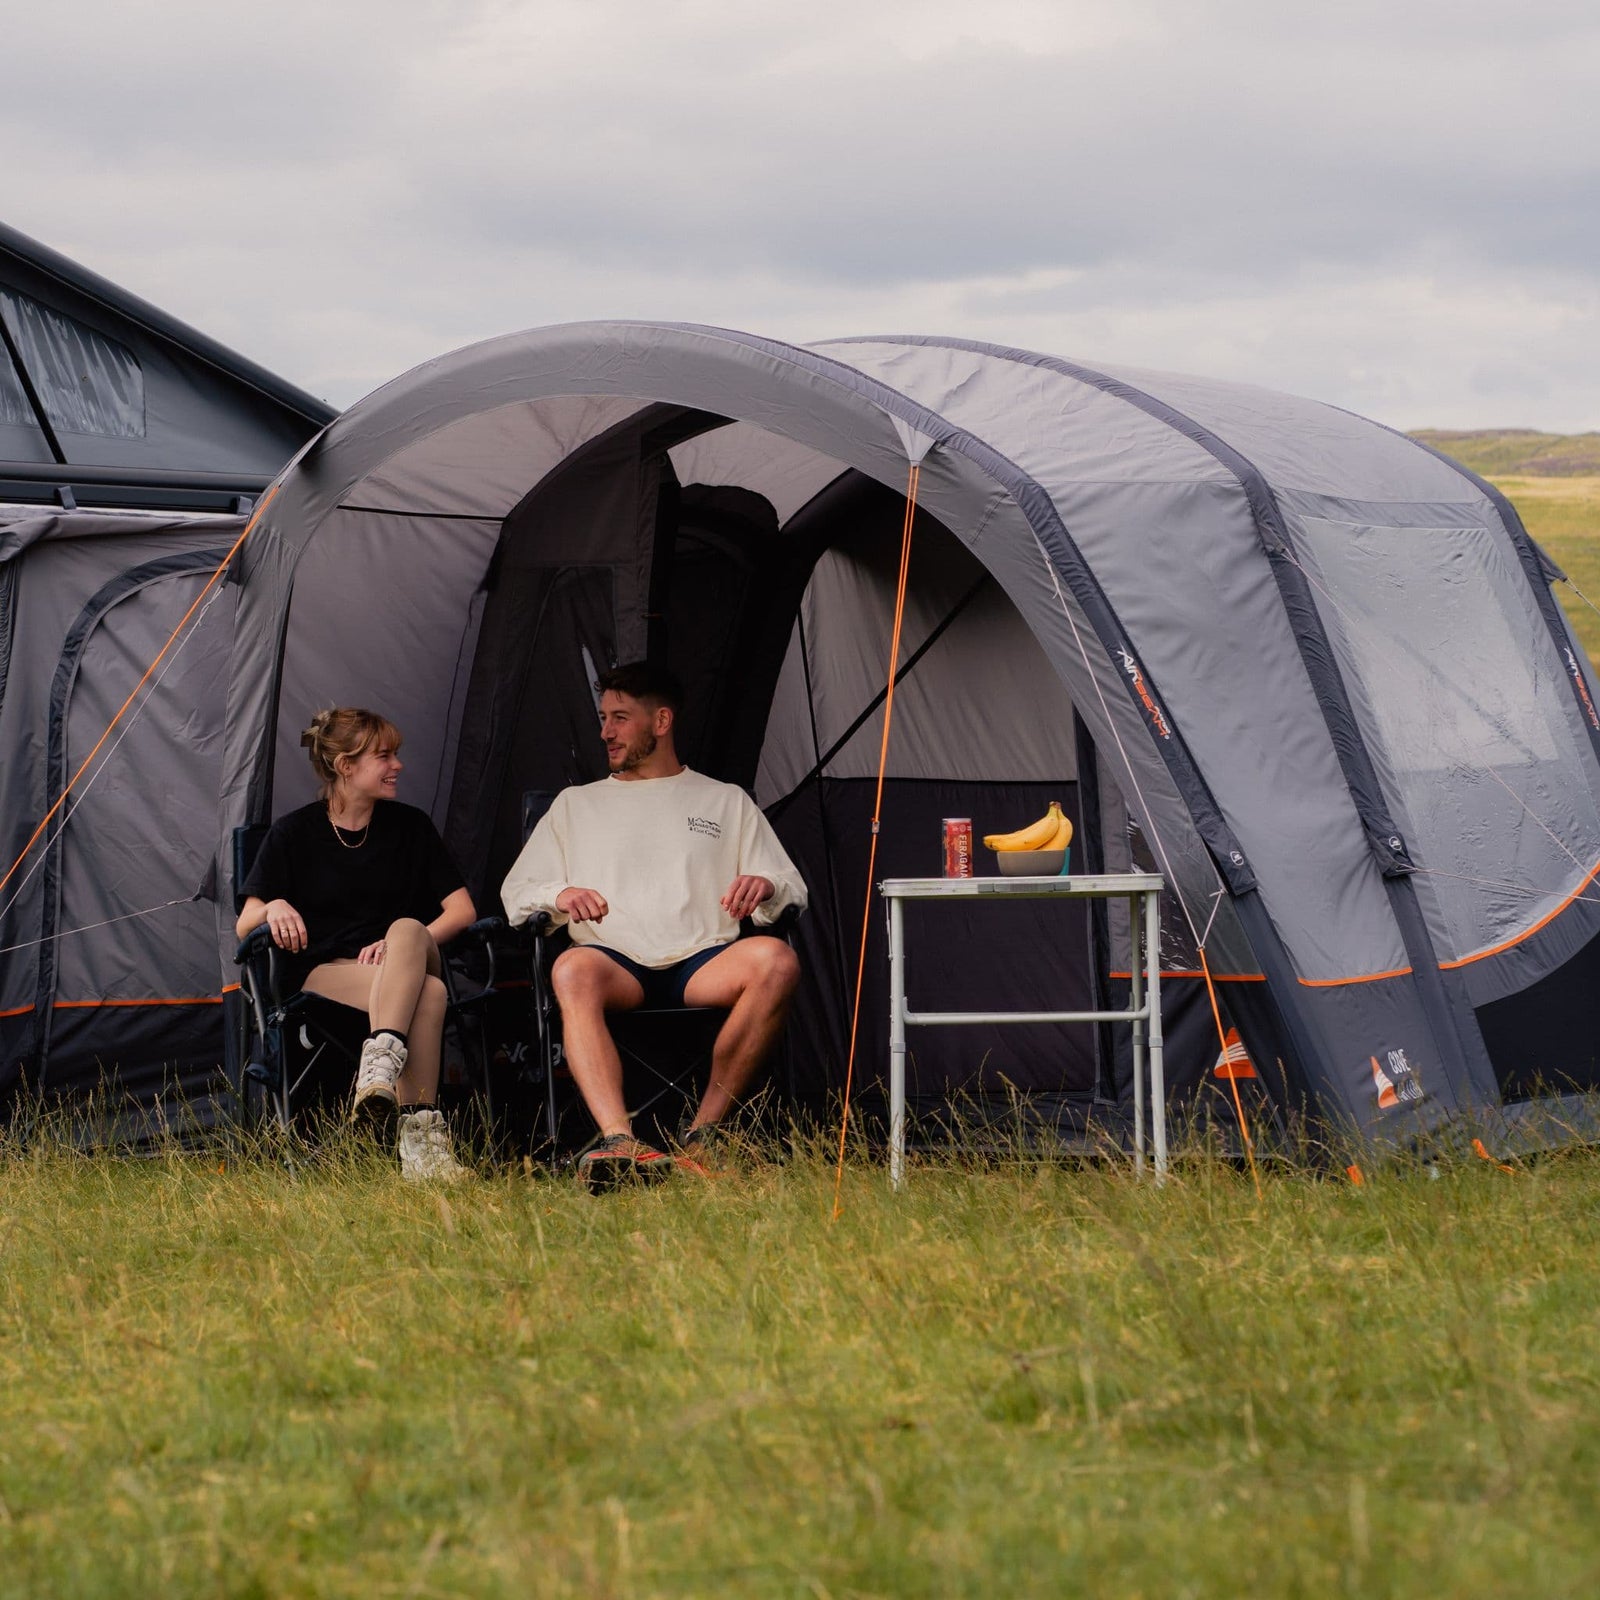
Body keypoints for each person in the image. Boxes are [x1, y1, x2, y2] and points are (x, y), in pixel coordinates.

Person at [501, 662, 806, 1187]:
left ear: (661, 721)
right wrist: (561, 893)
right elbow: (516, 894)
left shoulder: (724, 800)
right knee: (571, 970)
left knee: (777, 961)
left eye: (620, 718)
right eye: (603, 718)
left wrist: (766, 885)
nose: (606, 732)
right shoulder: (576, 805)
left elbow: (790, 885)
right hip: (614, 963)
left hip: (702, 960)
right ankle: (620, 1141)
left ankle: (704, 1137)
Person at [235, 707, 477, 1182]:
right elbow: (246, 924)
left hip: (403, 958)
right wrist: (274, 906)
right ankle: (423, 1153)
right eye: (384, 756)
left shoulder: (411, 827)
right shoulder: (293, 833)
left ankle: (380, 1065)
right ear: (346, 766)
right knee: (431, 993)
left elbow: (462, 911)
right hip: (326, 973)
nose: (398, 765)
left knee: (407, 928)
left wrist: (399, 947)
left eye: (395, 755)